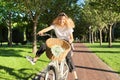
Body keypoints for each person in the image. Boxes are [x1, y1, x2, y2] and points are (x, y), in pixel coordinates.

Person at [26, 12, 78, 80]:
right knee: (44, 45)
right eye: (60, 19)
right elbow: (47, 29)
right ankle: (35, 59)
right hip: (58, 41)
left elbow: (72, 38)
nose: (61, 21)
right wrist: (41, 31)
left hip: (67, 43)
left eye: (63, 19)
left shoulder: (68, 27)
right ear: (57, 19)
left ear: (66, 20)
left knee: (68, 58)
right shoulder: (55, 25)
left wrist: (70, 41)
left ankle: (76, 77)